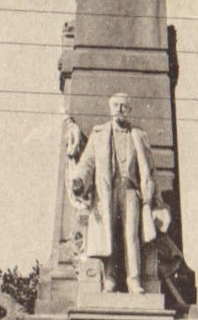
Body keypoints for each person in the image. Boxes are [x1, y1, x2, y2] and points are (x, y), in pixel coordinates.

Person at [68, 93, 160, 294]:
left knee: (131, 236)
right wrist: (79, 180)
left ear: (130, 110)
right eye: (116, 105)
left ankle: (134, 280)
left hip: (131, 192)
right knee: (110, 234)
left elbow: (151, 170)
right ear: (110, 109)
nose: (119, 109)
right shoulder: (99, 134)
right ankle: (109, 279)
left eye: (124, 106)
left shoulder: (139, 136)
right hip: (106, 193)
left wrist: (156, 202)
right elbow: (87, 162)